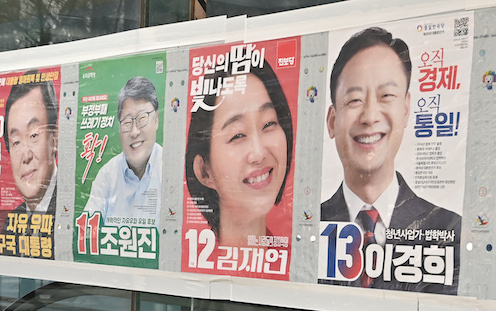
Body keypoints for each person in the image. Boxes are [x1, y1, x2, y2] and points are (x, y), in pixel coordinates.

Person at [321, 26, 460, 293]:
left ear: (406, 110)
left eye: (387, 96)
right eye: (354, 100)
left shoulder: (449, 229)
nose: (370, 116)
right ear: (332, 121)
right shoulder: (308, 225)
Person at [185, 61, 294, 247]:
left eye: (268, 124)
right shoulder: (192, 262)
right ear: (204, 171)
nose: (259, 154)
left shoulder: (295, 266)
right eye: (237, 135)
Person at [84, 76, 163, 221]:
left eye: (142, 118)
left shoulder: (171, 170)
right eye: (127, 122)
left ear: (156, 120)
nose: (134, 132)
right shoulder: (106, 177)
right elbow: (88, 230)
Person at [4, 73, 58, 215]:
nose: (26, 156)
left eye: (34, 135)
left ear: (54, 138)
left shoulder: (73, 207)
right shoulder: (10, 223)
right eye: (16, 142)